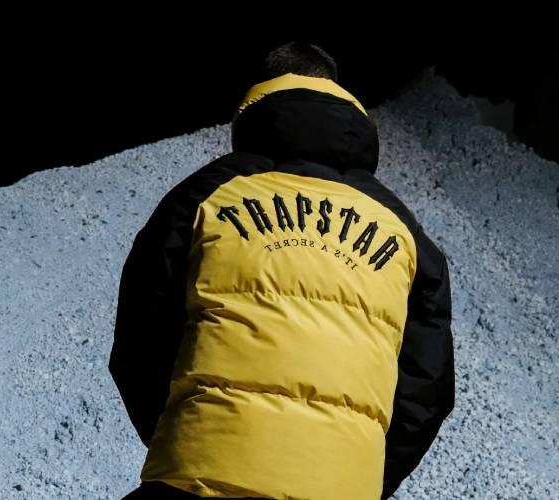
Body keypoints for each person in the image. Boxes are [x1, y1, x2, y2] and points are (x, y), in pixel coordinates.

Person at [109, 41, 455, 500]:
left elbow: (140, 340)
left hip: (198, 477)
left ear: (256, 101)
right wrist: (361, 478)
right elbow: (427, 390)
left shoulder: (199, 197)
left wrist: (185, 440)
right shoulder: (405, 232)